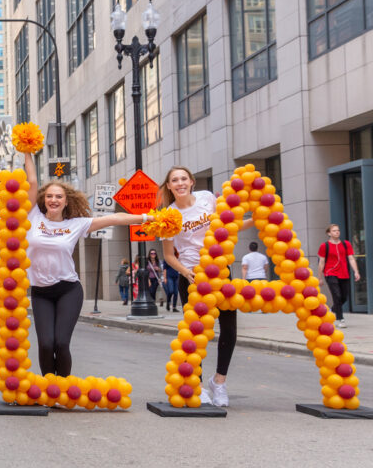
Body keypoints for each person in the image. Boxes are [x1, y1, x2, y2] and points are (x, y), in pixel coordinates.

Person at [23, 151, 156, 376]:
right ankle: (49, 389)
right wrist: (27, 150)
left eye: (59, 197)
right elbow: (33, 180)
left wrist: (147, 218)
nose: (53, 200)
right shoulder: (33, 216)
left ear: (66, 202)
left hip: (68, 290)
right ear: (43, 199)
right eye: (50, 196)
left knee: (61, 343)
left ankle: (62, 388)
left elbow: (114, 218)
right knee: (46, 344)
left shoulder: (77, 224)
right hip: (40, 292)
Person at [158, 166, 254, 407]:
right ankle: (197, 384)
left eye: (183, 178)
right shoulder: (168, 216)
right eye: (174, 180)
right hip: (192, 277)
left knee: (229, 329)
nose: (179, 183)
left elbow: (228, 226)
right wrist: (185, 272)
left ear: (191, 181)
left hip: (220, 270)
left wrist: (256, 219)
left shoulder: (207, 198)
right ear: (169, 186)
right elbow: (169, 255)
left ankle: (219, 382)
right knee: (195, 334)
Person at [318, 224, 361, 328]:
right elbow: (321, 262)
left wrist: (356, 271)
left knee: (344, 297)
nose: (337, 232)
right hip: (330, 273)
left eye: (338, 230)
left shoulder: (346, 244)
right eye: (334, 231)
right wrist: (320, 277)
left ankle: (333, 309)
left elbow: (351, 258)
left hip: (344, 273)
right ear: (329, 233)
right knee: (336, 295)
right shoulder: (324, 246)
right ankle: (340, 319)